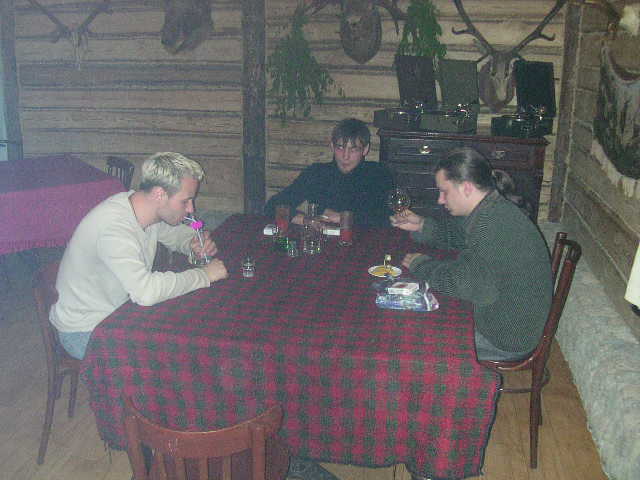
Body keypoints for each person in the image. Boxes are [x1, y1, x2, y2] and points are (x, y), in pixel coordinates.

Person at [50, 152, 228, 359]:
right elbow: (146, 292)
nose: (191, 209)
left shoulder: (141, 207)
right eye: (185, 201)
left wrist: (192, 243)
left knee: (185, 330)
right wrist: (204, 275)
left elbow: (172, 232)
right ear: (159, 194)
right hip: (86, 330)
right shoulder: (115, 228)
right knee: (173, 356)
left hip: (118, 312)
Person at [390, 147, 552, 361]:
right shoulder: (493, 208)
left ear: (466, 188)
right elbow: (461, 235)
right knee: (423, 307)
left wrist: (421, 265)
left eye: (444, 191)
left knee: (411, 333)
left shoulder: (491, 223)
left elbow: (466, 284)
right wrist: (421, 225)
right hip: (504, 317)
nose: (440, 200)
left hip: (505, 337)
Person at [264, 118, 394, 227]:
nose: (345, 156)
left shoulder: (379, 175)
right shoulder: (317, 173)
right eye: (340, 147)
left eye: (353, 149)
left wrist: (343, 218)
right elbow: (272, 206)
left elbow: (389, 218)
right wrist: (306, 220)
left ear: (365, 149)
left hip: (365, 243)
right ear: (332, 146)